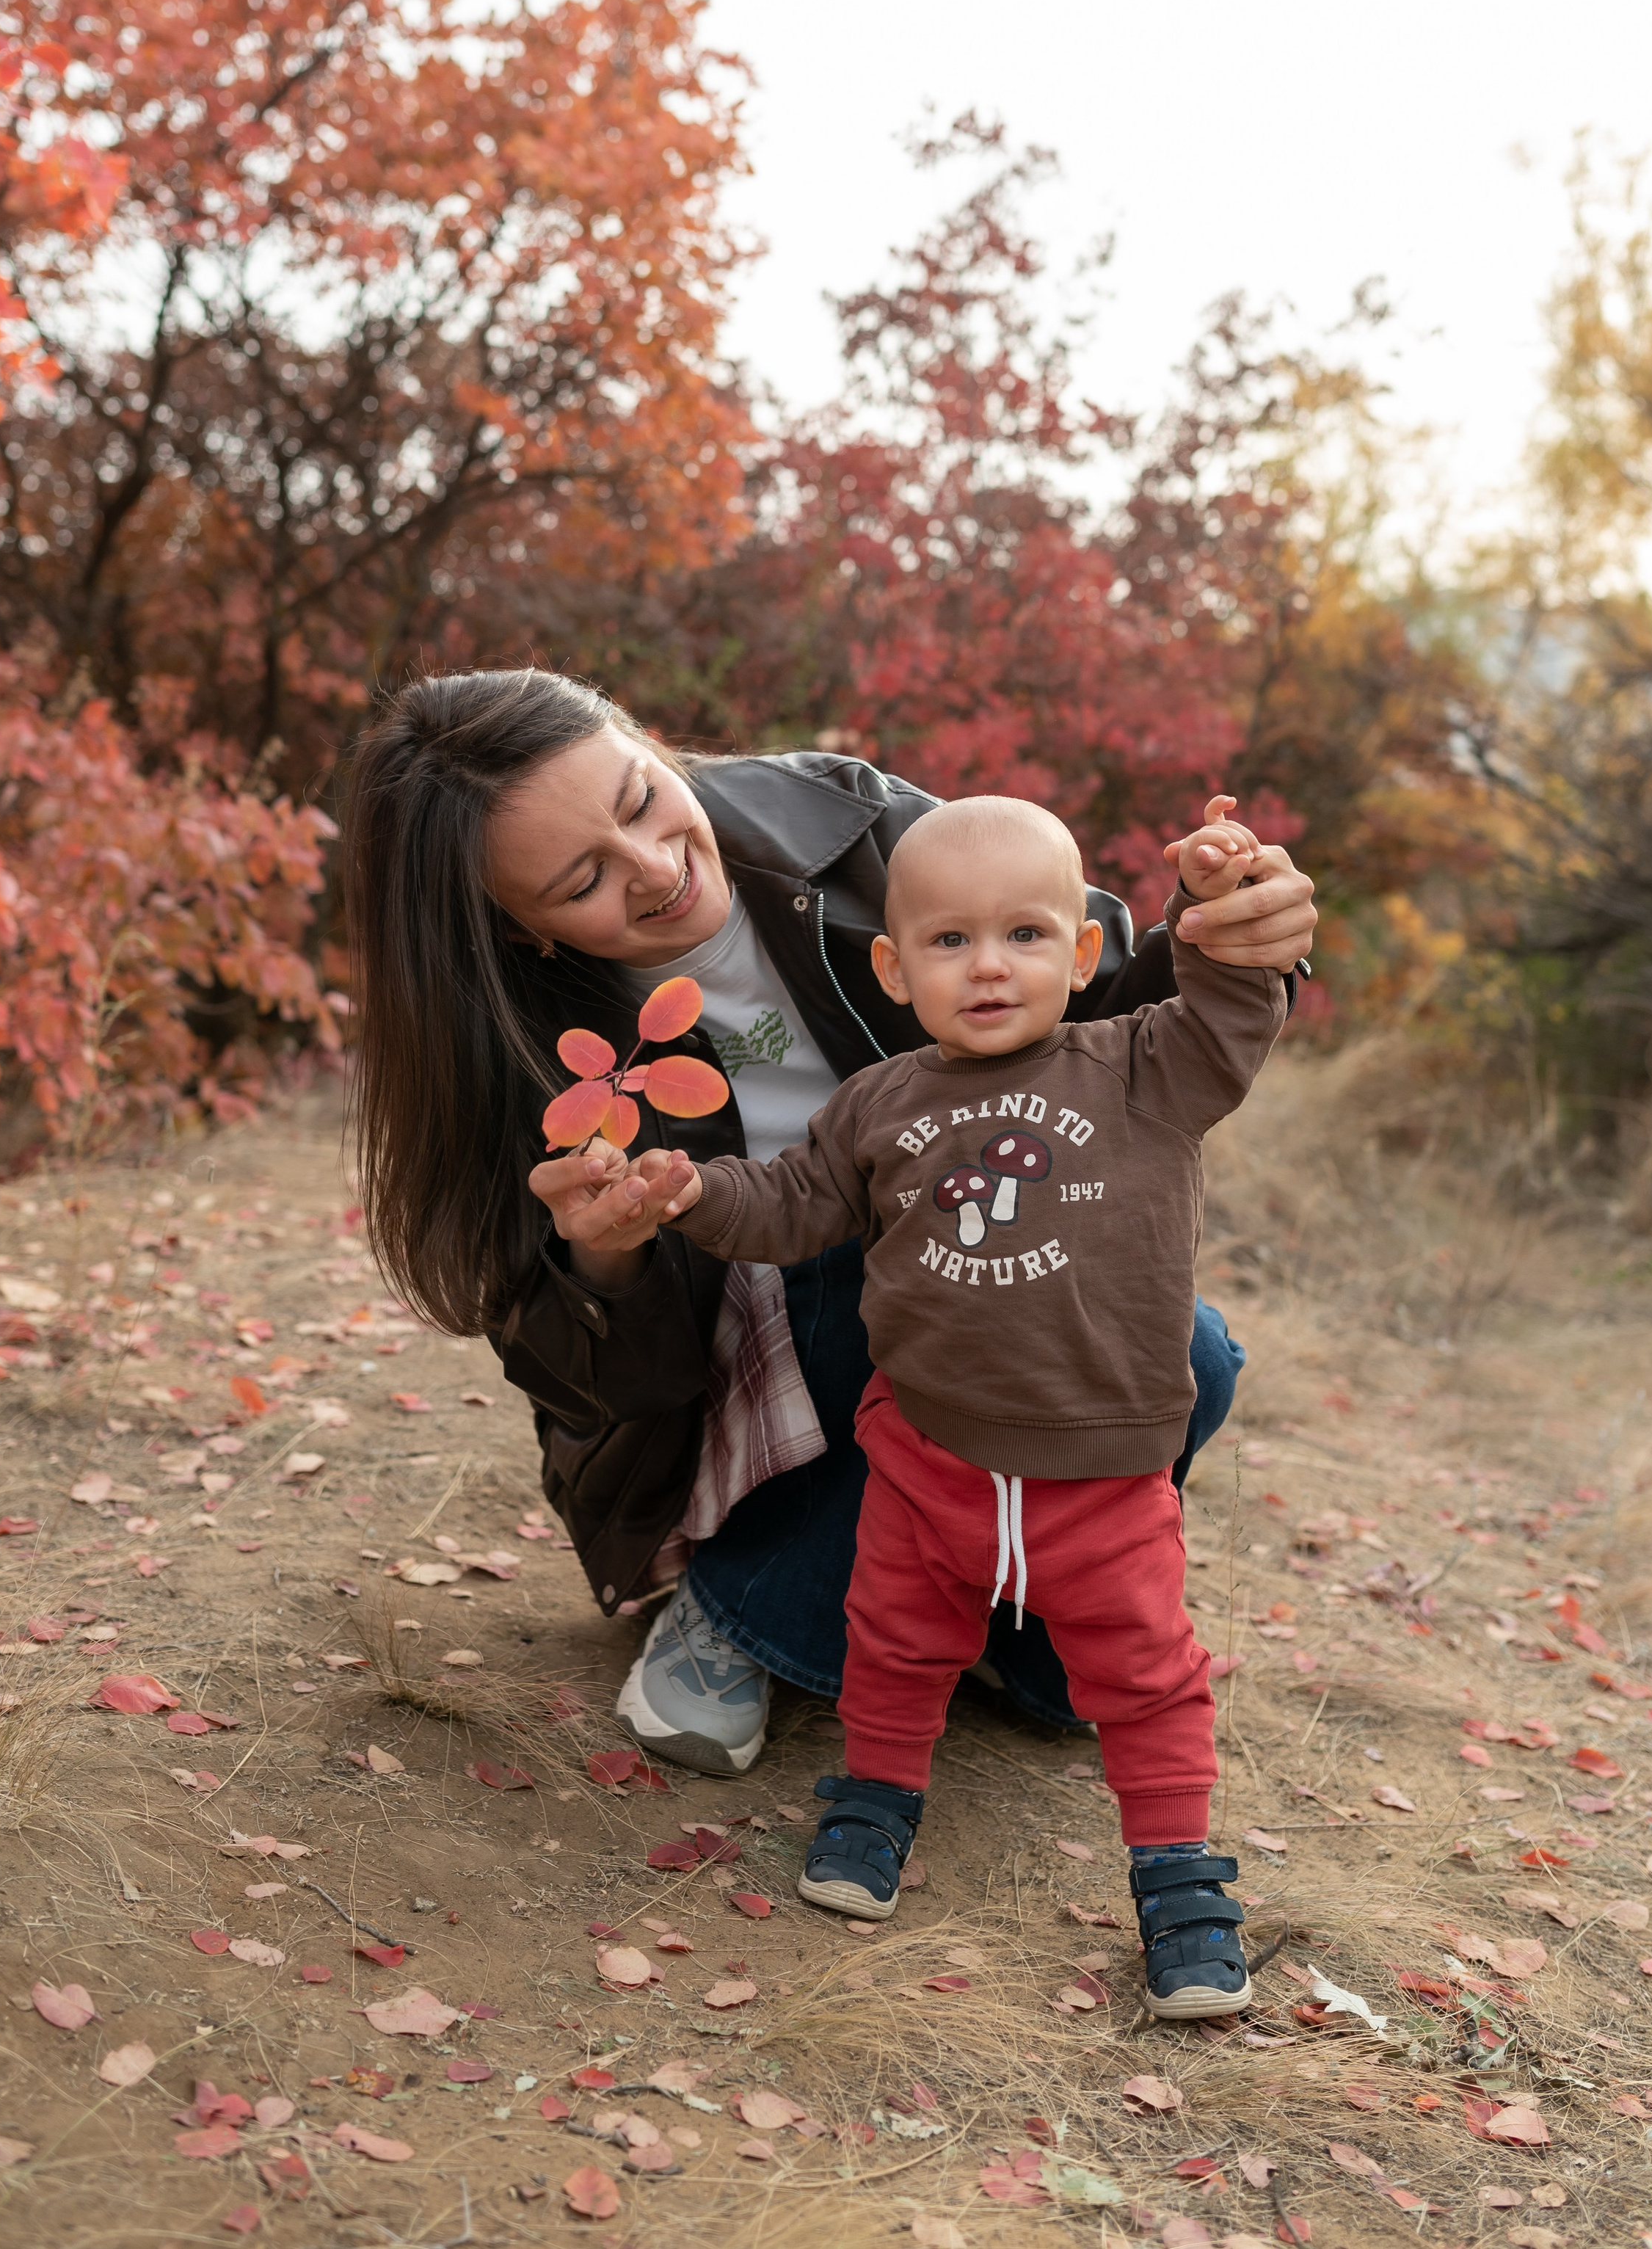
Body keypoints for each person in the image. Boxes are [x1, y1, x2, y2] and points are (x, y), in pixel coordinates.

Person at [341, 670, 1319, 1783]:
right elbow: (595, 1393)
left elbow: (1092, 1018)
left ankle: (1022, 1611)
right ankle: (746, 1608)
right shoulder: (516, 1055)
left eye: (640, 800)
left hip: (965, 1277)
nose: (657, 870)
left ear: (651, 740)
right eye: (583, 883)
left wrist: (1228, 936)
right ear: (522, 935)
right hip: (753, 1348)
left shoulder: (846, 828)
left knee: (1189, 1353)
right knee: (882, 1255)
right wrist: (605, 1256)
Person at [566, 791, 1281, 2019]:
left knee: (1148, 1674)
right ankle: (875, 1802)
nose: (989, 966)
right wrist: (688, 1190)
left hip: (1099, 1477)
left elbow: (1232, 1003)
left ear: (1086, 952)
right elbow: (789, 1205)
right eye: (950, 943)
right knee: (896, 1643)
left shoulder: (1145, 1063)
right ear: (895, 969)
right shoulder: (880, 1104)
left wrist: (1217, 905)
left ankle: (1177, 1880)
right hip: (929, 1460)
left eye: (1024, 935)